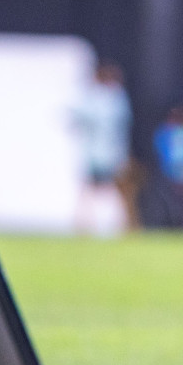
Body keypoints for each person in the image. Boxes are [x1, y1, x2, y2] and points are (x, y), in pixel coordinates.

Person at [72, 61, 131, 236]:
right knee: (112, 190)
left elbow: (79, 117)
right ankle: (119, 225)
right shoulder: (118, 99)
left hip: (95, 154)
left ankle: (84, 225)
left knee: (89, 190)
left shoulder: (95, 97)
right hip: (111, 154)